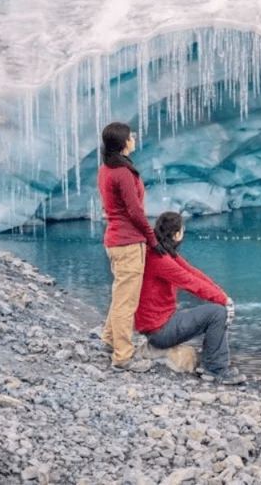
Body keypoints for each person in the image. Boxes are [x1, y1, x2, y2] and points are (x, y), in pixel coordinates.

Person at [135, 212, 242, 384]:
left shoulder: (162, 252)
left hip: (160, 324)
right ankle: (215, 369)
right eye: (183, 230)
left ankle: (211, 362)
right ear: (177, 234)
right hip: (160, 332)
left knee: (217, 309)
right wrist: (224, 302)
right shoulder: (160, 260)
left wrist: (222, 296)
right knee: (217, 313)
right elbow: (190, 282)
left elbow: (193, 272)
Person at [97, 121, 159, 371]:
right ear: (123, 143)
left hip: (115, 239)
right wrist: (151, 238)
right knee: (127, 300)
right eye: (130, 136)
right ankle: (123, 355)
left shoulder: (106, 169)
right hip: (129, 242)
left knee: (120, 293)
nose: (133, 138)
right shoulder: (122, 173)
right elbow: (134, 211)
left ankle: (110, 338)